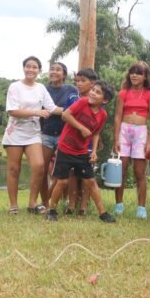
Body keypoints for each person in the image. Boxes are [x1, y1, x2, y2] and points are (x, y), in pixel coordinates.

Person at [46, 81, 116, 223]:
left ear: (105, 100)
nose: (92, 93)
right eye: (93, 90)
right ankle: (51, 210)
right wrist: (81, 128)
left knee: (91, 181)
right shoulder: (83, 102)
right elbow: (65, 115)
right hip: (65, 148)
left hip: (81, 152)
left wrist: (94, 151)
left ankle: (103, 213)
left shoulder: (102, 115)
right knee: (62, 181)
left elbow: (96, 133)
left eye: (97, 92)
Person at [2, 56, 59, 214]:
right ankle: (13, 205)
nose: (31, 69)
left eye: (34, 67)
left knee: (39, 165)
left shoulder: (41, 88)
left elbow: (52, 108)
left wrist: (73, 110)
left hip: (33, 133)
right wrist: (36, 112)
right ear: (24, 68)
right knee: (14, 169)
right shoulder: (15, 86)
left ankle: (32, 203)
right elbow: (12, 111)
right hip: (15, 132)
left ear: (39, 71)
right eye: (28, 66)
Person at [113, 61, 150, 219]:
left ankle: (141, 208)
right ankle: (119, 204)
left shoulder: (149, 95)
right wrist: (116, 138)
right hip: (124, 132)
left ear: (145, 76)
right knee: (121, 170)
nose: (134, 75)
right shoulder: (123, 93)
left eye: (138, 73)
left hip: (140, 133)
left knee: (139, 172)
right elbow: (117, 116)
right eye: (132, 72)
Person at [40, 62, 78, 207]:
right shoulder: (43, 89)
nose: (54, 72)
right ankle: (44, 202)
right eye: (52, 69)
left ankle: (60, 200)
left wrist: (55, 111)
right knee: (42, 170)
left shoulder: (71, 89)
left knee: (63, 170)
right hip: (47, 133)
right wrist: (63, 111)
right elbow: (40, 110)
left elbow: (75, 109)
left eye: (58, 70)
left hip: (65, 134)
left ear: (64, 74)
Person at [66, 68, 99, 215]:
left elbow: (97, 130)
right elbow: (66, 117)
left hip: (88, 145)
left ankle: (84, 206)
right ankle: (71, 205)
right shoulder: (72, 98)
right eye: (77, 81)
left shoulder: (97, 101)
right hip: (71, 143)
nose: (79, 84)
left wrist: (95, 150)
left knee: (87, 176)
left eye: (83, 81)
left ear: (92, 83)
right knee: (72, 174)